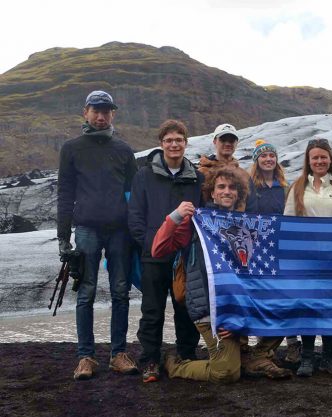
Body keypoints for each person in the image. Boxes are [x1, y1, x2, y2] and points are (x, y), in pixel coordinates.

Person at [151, 167, 290, 382]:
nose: (227, 191)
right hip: (210, 309)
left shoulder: (247, 223)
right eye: (221, 187)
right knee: (225, 373)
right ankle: (176, 365)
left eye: (232, 188)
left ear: (239, 194)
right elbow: (158, 250)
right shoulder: (196, 223)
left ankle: (257, 356)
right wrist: (175, 216)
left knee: (288, 307)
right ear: (212, 192)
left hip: (240, 305)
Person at [57, 90, 138, 380]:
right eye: (96, 110)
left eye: (106, 111)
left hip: (119, 231)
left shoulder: (124, 150)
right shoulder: (72, 148)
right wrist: (63, 236)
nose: (101, 116)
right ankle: (85, 357)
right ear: (86, 112)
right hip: (87, 228)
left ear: (112, 114)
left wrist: (136, 232)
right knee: (86, 292)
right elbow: (65, 194)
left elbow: (135, 195)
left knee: (120, 291)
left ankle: (118, 354)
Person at [127, 120, 203, 383]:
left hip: (184, 257)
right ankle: (150, 359)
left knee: (185, 307)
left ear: (185, 143)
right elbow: (135, 215)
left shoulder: (196, 177)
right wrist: (149, 243)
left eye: (179, 140)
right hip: (154, 255)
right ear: (161, 144)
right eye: (169, 140)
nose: (174, 144)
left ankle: (186, 354)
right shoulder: (144, 175)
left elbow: (202, 215)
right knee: (152, 309)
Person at [284, 138, 332, 377]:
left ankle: (330, 357)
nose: (319, 161)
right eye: (315, 157)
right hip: (307, 260)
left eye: (323, 157)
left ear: (330, 159)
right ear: (308, 160)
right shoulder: (298, 187)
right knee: (308, 306)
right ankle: (306, 357)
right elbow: (288, 222)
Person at [247, 139, 302, 364]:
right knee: (264, 295)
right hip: (259, 250)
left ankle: (293, 343)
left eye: (271, 155)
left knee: (286, 294)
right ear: (257, 160)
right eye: (263, 156)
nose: (268, 159)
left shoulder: (285, 187)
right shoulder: (250, 187)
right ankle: (264, 346)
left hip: (282, 249)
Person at [198, 123, 259, 212]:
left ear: (236, 143)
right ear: (214, 141)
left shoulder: (244, 175)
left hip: (238, 225)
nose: (227, 143)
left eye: (231, 140)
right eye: (223, 140)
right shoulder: (201, 173)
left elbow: (252, 208)